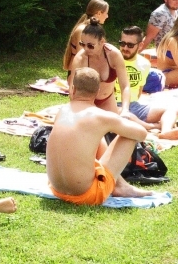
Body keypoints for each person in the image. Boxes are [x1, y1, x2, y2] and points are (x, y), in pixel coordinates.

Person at [46, 68, 154, 206]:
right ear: (97, 93)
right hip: (86, 195)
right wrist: (125, 119)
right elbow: (141, 134)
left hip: (57, 190)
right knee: (130, 135)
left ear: (73, 89)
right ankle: (120, 186)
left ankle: (120, 184)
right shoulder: (100, 116)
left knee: (95, 136)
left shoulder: (63, 110)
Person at [115, 26, 178, 140]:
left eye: (130, 45)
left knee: (171, 108)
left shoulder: (144, 64)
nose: (125, 48)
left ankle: (165, 131)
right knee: (122, 114)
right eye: (122, 43)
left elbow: (139, 91)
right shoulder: (112, 59)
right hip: (115, 105)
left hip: (134, 105)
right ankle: (150, 126)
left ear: (140, 45)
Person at [67, 19, 131, 116]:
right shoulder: (80, 58)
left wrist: (125, 109)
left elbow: (125, 85)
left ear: (102, 41)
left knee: (115, 128)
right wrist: (76, 109)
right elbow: (72, 89)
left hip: (107, 99)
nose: (85, 49)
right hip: (85, 102)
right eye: (82, 44)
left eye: (90, 46)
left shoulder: (113, 55)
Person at [62, 0, 109, 73]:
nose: (107, 16)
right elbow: (82, 57)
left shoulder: (92, 29)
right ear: (99, 13)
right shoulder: (82, 30)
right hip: (78, 75)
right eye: (106, 13)